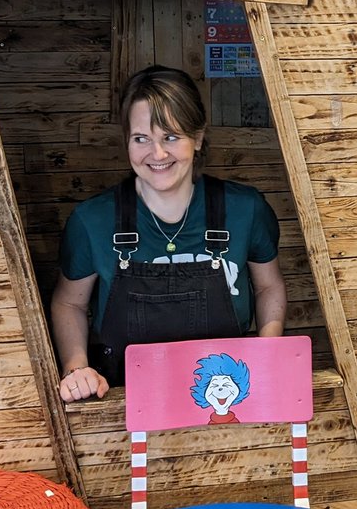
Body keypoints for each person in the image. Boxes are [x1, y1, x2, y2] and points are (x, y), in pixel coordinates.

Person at [52, 65, 287, 402]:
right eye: (141, 139)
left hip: (225, 400)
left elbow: (268, 285)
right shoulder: (93, 220)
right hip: (124, 403)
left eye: (171, 137)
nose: (157, 154)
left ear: (199, 137)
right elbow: (68, 302)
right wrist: (77, 368)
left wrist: (268, 350)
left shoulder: (244, 209)